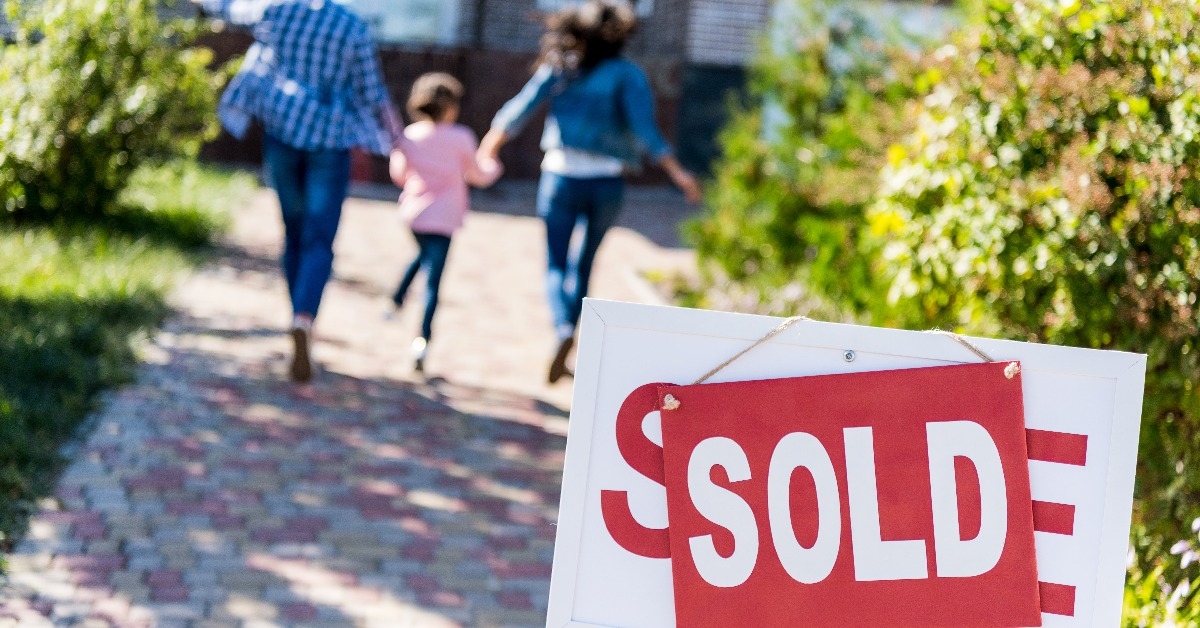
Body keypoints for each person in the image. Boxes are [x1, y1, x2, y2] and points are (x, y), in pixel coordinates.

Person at [478, 0, 702, 384]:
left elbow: (521, 106)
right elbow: (647, 131)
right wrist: (678, 173)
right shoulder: (627, 74)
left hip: (560, 177)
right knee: (584, 264)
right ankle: (570, 331)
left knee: (554, 263)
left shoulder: (562, 66)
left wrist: (489, 146)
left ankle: (562, 328)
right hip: (606, 183)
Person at [193, 0, 403, 382]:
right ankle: (305, 317)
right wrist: (401, 142)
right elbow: (373, 93)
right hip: (329, 138)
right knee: (319, 239)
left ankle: (297, 318)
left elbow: (229, 8)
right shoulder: (351, 26)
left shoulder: (277, 10)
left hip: (283, 130)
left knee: (293, 233)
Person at [388, 73, 503, 372]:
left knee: (425, 256)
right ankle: (422, 341)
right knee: (433, 282)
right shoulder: (461, 137)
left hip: (415, 214)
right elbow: (478, 174)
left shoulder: (409, 135)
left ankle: (396, 298)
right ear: (450, 106)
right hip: (444, 217)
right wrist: (493, 163)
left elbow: (398, 174)